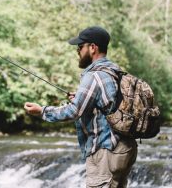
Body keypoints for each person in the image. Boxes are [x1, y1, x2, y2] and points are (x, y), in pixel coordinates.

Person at [24, 26, 137, 188]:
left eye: (80, 47)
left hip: (105, 151)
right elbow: (107, 103)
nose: (77, 51)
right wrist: (79, 98)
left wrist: (41, 111)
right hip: (124, 149)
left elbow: (73, 111)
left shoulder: (93, 76)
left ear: (92, 48)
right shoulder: (114, 71)